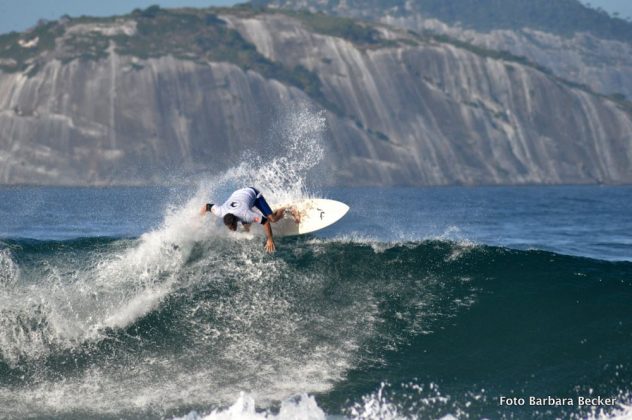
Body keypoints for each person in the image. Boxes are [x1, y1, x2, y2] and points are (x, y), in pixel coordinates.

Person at [200, 187, 299, 252]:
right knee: (247, 228)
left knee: (272, 219)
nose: (232, 229)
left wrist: (270, 239)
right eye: (229, 227)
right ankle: (270, 211)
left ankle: (290, 209)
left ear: (235, 220)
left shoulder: (245, 215)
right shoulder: (220, 211)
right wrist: (199, 217)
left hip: (253, 194)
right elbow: (207, 206)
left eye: (232, 226)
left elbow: (265, 222)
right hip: (238, 195)